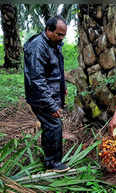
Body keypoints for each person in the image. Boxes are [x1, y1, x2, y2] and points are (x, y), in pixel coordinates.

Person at [23, 15, 69, 172]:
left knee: (50, 126)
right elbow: (37, 80)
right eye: (59, 34)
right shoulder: (38, 47)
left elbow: (54, 70)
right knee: (54, 125)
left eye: (64, 35)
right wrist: (51, 105)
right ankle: (53, 164)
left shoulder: (53, 43)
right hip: (41, 97)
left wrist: (62, 87)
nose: (62, 38)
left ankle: (49, 157)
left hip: (50, 93)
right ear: (48, 30)